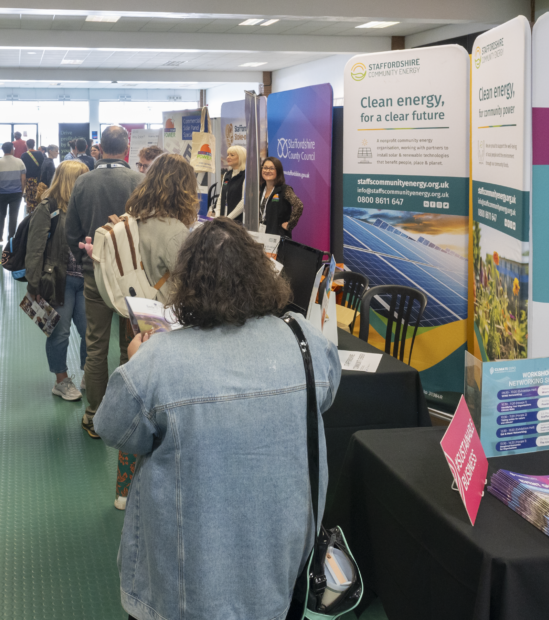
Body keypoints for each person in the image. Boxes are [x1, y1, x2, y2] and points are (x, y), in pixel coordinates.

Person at [94, 217, 341, 620]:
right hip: (282, 569)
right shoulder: (304, 340)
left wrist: (135, 360)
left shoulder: (159, 360)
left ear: (187, 282)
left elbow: (113, 426)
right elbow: (326, 396)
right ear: (260, 272)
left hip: (186, 584)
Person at [112, 153, 198, 511]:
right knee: (165, 408)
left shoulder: (131, 221)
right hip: (166, 324)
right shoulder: (176, 231)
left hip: (135, 318)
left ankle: (122, 489)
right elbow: (189, 283)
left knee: (139, 399)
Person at [64, 125, 142, 438]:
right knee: (130, 345)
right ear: (126, 149)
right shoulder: (140, 181)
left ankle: (94, 415)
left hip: (95, 274)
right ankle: (126, 413)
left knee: (96, 346)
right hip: (132, 280)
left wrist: (86, 261)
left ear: (100, 149)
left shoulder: (83, 181)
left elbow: (71, 232)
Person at [25, 160, 89, 402]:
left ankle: (88, 373)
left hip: (86, 278)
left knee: (89, 332)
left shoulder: (86, 205)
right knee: (58, 334)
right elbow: (35, 249)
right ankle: (61, 381)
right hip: (57, 281)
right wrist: (34, 286)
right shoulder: (47, 207)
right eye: (83, 178)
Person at [259, 156, 304, 238]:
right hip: (261, 234)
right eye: (265, 168)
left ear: (278, 171)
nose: (267, 171)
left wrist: (290, 225)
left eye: (271, 168)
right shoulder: (260, 189)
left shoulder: (285, 190)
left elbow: (299, 205)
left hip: (277, 237)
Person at [0, 141, 26, 242]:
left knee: (1, 215)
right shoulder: (20, 162)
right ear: (11, 150)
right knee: (13, 215)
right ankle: (11, 238)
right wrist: (21, 191)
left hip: (2, 193)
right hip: (16, 193)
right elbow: (23, 180)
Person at [212, 144, 246, 221]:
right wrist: (218, 217)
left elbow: (244, 201)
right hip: (224, 219)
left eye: (232, 155)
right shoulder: (226, 175)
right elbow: (221, 197)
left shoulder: (246, 175)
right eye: (228, 155)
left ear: (241, 157)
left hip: (237, 221)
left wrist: (228, 219)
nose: (228, 157)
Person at [21, 138, 44, 210]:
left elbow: (22, 169)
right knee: (38, 195)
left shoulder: (24, 155)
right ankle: (38, 211)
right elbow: (42, 166)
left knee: (29, 196)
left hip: (28, 180)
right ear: (34, 145)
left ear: (26, 145)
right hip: (38, 179)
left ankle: (30, 211)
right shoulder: (40, 154)